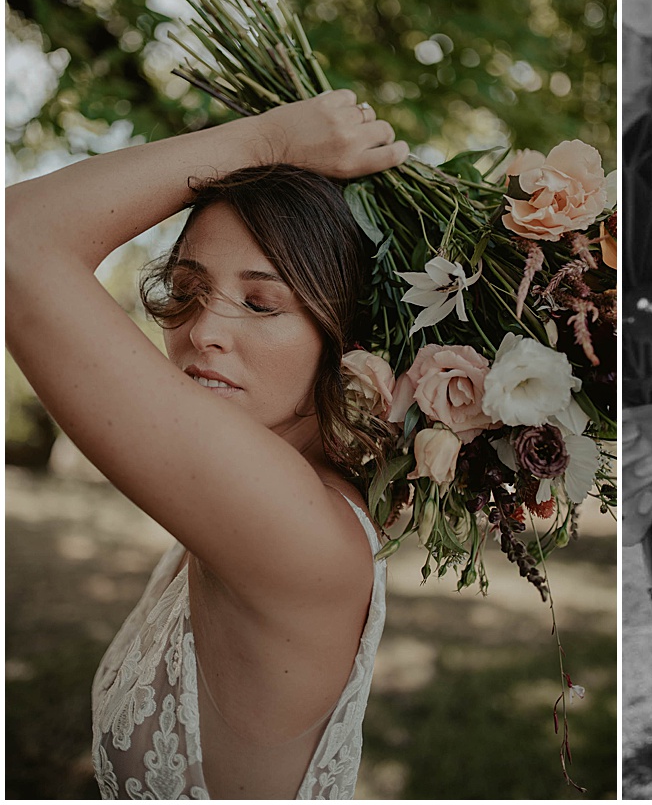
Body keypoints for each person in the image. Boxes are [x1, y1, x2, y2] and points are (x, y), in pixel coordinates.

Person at [7, 91, 410, 799]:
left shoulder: (298, 525)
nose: (202, 331)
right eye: (189, 290)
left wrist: (268, 137)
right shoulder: (273, 496)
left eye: (260, 303)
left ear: (344, 339)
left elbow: (15, 243)